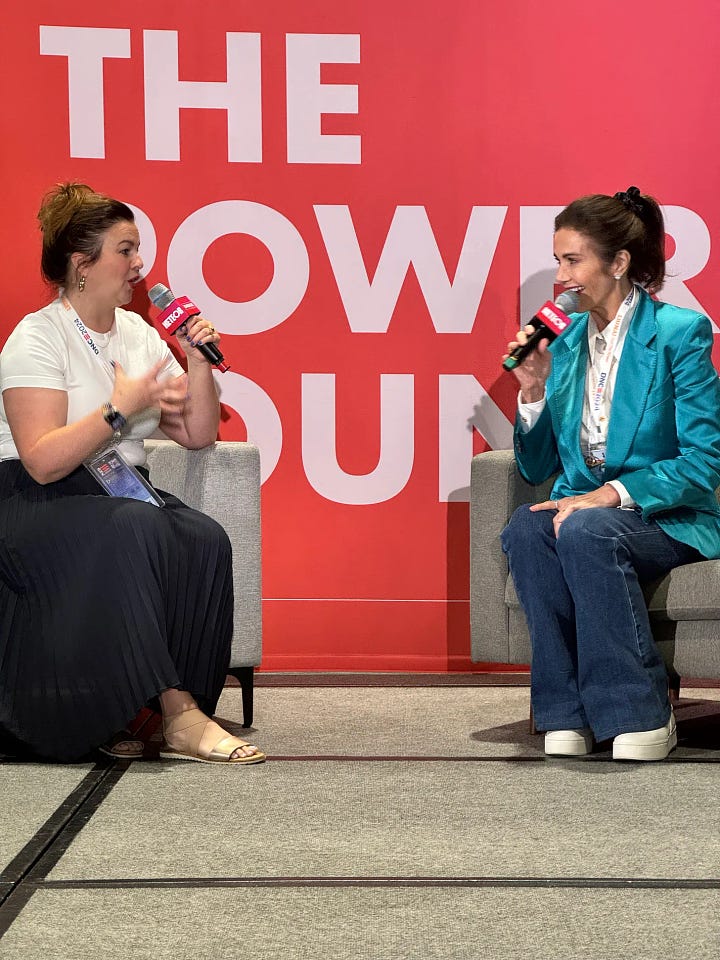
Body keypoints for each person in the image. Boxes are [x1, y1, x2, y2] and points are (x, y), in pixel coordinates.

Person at [0, 182, 265, 764]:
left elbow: (197, 433)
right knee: (134, 529)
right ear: (82, 264)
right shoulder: (37, 337)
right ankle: (177, 716)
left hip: (116, 492)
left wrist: (196, 361)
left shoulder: (138, 333)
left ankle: (149, 706)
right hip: (35, 500)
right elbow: (41, 459)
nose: (139, 264)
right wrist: (116, 409)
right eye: (125, 249)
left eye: (137, 248)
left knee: (202, 537)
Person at [500, 186, 720, 761]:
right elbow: (538, 466)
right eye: (558, 261)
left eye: (573, 260)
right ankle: (566, 711)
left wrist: (610, 495)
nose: (561, 276)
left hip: (668, 517)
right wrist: (533, 390)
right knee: (526, 528)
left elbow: (704, 462)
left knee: (585, 528)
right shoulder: (567, 342)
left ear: (618, 263)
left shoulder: (678, 333)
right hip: (588, 514)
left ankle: (640, 710)